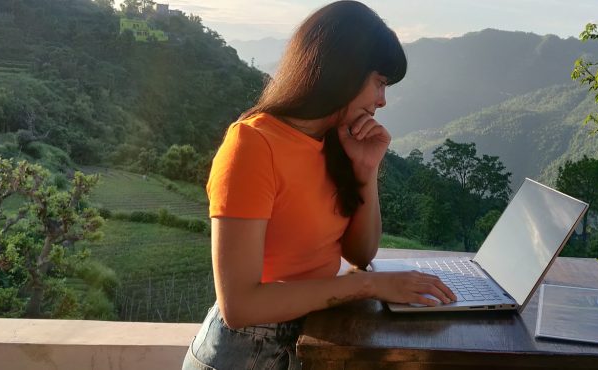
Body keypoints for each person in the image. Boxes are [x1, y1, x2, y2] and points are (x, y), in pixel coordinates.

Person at [182, 2, 457, 369]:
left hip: (313, 338)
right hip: (244, 355)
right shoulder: (252, 145)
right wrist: (370, 286)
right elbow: (239, 306)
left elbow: (361, 254)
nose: (382, 100)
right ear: (343, 70)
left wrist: (366, 171)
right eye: (379, 82)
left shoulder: (332, 143)